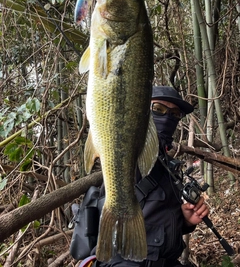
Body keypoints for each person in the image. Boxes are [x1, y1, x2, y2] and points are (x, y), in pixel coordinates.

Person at [80, 86, 209, 267]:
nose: (167, 118)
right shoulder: (129, 152)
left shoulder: (168, 166)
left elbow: (156, 217)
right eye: (158, 109)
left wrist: (185, 221)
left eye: (174, 114)